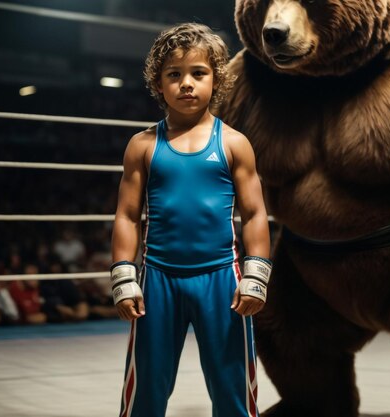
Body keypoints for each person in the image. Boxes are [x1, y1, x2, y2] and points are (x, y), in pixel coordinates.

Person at [111, 23, 271, 417]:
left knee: (232, 386)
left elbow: (254, 213)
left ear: (215, 79)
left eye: (198, 73)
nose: (186, 83)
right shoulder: (143, 145)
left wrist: (257, 274)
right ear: (158, 82)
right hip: (157, 280)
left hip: (221, 280)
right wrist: (123, 275)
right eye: (174, 74)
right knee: (146, 386)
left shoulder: (234, 143)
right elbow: (128, 215)